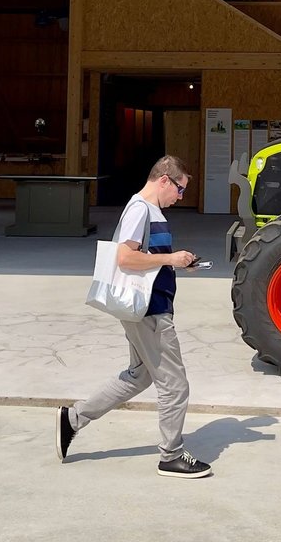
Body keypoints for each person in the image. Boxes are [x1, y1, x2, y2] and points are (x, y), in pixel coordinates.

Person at [56, 155, 212, 479]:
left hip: (146, 309)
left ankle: (72, 419)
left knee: (139, 376)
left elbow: (148, 259)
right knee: (175, 384)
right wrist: (171, 257)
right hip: (151, 312)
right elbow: (125, 258)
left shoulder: (148, 211)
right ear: (165, 180)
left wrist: (177, 263)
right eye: (180, 189)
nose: (180, 197)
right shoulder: (140, 208)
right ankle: (170, 456)